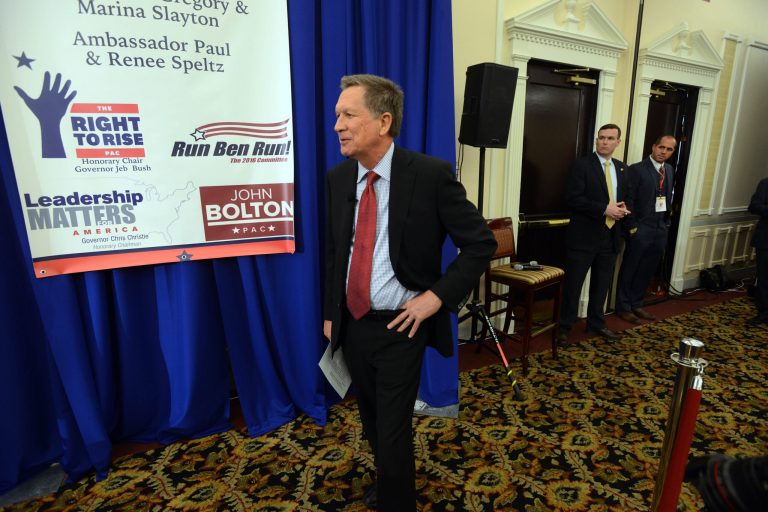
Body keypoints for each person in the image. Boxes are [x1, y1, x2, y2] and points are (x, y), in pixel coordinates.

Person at [323, 74, 496, 511]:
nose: (337, 125)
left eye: (348, 115)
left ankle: (397, 500)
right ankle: (389, 481)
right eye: (336, 116)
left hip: (402, 323)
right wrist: (331, 312)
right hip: (353, 322)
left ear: (383, 121)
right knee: (372, 417)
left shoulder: (430, 175)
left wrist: (435, 298)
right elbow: (335, 253)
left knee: (395, 425)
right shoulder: (338, 178)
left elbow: (480, 244)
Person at [557, 123, 630, 344]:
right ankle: (564, 326)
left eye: (609, 138)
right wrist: (604, 208)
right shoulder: (582, 165)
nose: (604, 142)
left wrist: (622, 209)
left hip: (611, 237)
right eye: (601, 138)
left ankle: (596, 323)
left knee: (602, 284)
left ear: (618, 142)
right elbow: (573, 198)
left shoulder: (622, 168)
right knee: (573, 285)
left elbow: (620, 197)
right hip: (583, 237)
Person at [615, 135, 677, 323]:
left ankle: (637, 304)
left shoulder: (669, 169)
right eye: (661, 147)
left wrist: (665, 225)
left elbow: (666, 199)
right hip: (640, 229)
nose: (663, 152)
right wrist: (632, 227)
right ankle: (623, 307)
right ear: (653, 146)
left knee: (647, 269)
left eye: (668, 149)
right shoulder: (636, 169)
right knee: (631, 268)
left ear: (672, 152)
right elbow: (629, 199)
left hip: (659, 230)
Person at [747, 177, 768, 325]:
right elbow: (754, 206)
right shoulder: (765, 183)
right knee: (764, 278)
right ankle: (764, 313)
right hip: (766, 240)